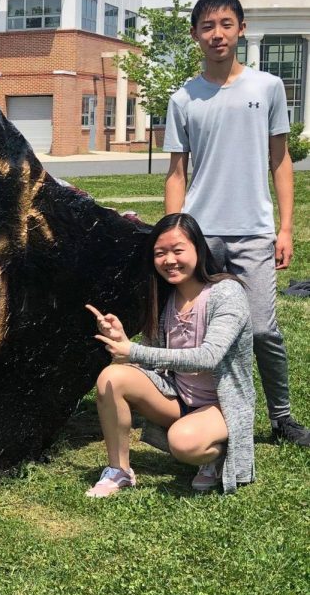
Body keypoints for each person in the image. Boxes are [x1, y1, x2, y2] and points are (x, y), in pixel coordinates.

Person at [163, 0, 309, 446]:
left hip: (253, 232)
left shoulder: (266, 88)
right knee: (191, 327)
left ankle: (282, 418)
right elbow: (176, 171)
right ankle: (191, 407)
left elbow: (280, 161)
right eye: (207, 26)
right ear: (195, 35)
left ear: (241, 29)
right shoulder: (183, 98)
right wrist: (173, 235)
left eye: (226, 24)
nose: (217, 34)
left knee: (263, 327)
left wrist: (284, 228)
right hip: (201, 235)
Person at [84, 213, 255, 497]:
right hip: (178, 398)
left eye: (178, 250)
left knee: (183, 443)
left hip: (220, 405)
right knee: (111, 378)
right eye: (160, 253)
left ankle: (218, 452)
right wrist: (124, 342)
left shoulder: (226, 292)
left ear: (198, 250)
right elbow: (150, 359)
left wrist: (134, 350)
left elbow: (209, 357)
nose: (169, 260)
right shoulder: (165, 297)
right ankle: (119, 471)